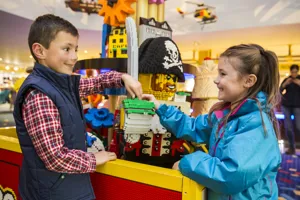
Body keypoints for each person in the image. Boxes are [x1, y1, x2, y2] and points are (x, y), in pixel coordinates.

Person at [13, 14, 142, 200]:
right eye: (66, 49)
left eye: (75, 49)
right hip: (52, 192)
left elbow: (95, 83)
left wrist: (122, 77)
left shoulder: (61, 84)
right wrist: (93, 159)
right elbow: (55, 157)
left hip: (68, 187)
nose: (74, 57)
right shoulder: (39, 95)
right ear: (39, 51)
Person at [143, 44, 281, 199]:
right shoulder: (225, 115)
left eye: (223, 74)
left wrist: (186, 163)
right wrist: (161, 108)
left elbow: (230, 175)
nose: (216, 80)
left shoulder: (256, 125)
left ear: (248, 81)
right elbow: (194, 127)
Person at [280, 64, 300, 155]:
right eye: (292, 72)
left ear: (297, 72)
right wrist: (285, 83)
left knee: (298, 127)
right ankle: (292, 148)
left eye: (295, 72)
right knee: (288, 128)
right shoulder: (287, 79)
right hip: (286, 105)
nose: (294, 74)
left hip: (297, 106)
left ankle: (296, 146)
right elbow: (280, 90)